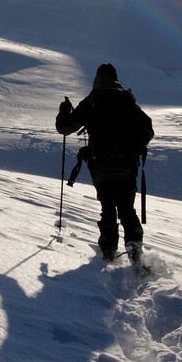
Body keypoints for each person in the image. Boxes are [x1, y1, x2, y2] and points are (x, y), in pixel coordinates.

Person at [55, 63, 153, 262]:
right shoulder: (127, 99)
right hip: (126, 167)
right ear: (115, 77)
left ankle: (108, 252)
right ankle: (134, 247)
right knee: (127, 209)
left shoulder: (92, 100)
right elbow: (148, 130)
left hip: (100, 167)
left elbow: (64, 128)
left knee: (107, 208)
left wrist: (64, 110)